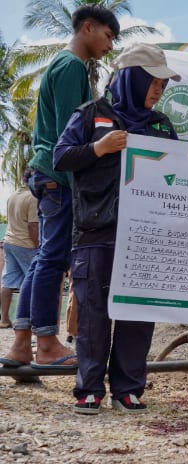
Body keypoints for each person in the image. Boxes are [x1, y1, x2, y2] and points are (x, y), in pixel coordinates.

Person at [54, 42, 188, 415]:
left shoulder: (160, 126)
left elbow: (185, 174)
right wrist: (99, 148)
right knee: (93, 315)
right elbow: (60, 157)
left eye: (163, 84)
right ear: (132, 78)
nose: (159, 90)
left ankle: (128, 389)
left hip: (148, 238)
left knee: (138, 315)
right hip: (97, 233)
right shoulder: (90, 117)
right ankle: (89, 389)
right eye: (154, 81)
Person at [0, 5, 119, 370]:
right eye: (108, 36)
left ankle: (22, 344)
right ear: (88, 27)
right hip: (60, 177)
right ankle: (48, 343)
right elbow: (74, 137)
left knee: (44, 259)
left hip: (47, 174)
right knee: (52, 259)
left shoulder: (61, 65)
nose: (109, 46)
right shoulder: (70, 68)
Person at [1, 169, 40, 329]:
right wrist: (38, 246)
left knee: (8, 281)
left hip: (9, 242)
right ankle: (27, 320)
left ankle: (4, 319)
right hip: (26, 244)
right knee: (32, 281)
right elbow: (33, 226)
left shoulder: (13, 195)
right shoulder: (32, 198)